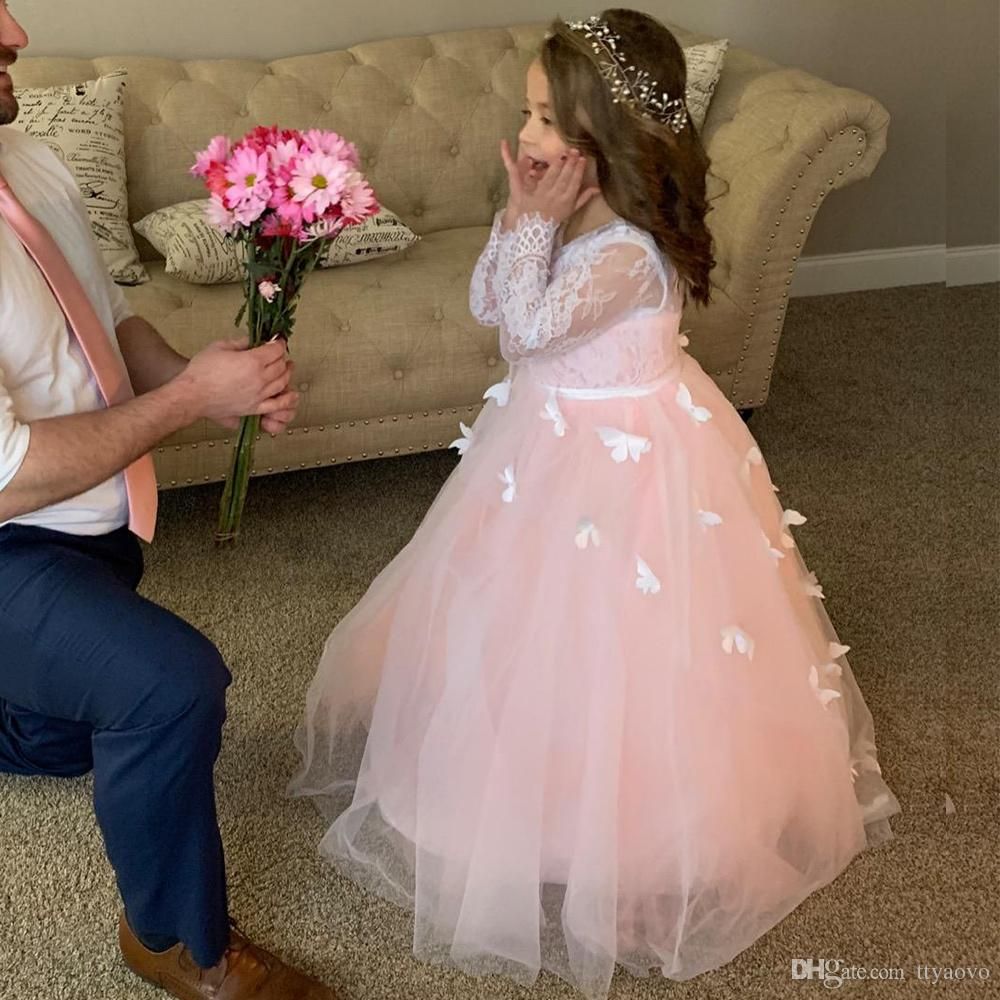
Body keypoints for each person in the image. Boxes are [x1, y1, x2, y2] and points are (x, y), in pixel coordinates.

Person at [290, 9, 900, 999]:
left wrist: (529, 222)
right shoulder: (570, 217)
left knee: (624, 637)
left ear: (603, 140)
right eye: (526, 114)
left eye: (544, 120)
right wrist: (520, 216)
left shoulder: (628, 252)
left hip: (625, 468)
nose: (527, 137)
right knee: (515, 620)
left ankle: (630, 814)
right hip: (543, 448)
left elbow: (525, 332)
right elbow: (496, 302)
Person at [0, 3, 336, 997]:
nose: (16, 31)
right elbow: (8, 471)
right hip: (14, 529)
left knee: (65, 738)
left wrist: (201, 373)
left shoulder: (32, 157)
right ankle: (174, 941)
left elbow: (106, 321)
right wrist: (191, 401)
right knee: (165, 685)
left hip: (89, 530)